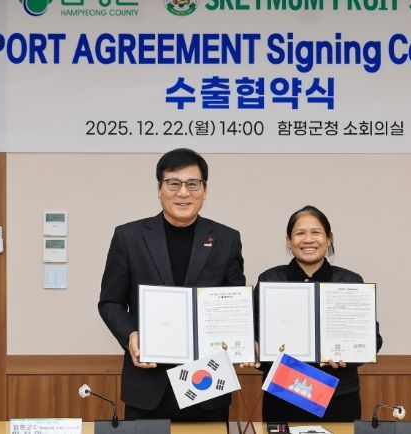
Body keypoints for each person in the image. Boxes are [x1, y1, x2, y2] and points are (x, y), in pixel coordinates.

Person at [98, 148, 246, 421]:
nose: (183, 193)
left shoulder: (226, 239)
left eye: (193, 184)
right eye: (173, 183)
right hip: (148, 384)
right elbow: (110, 302)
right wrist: (130, 334)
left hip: (207, 383)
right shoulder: (129, 237)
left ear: (205, 190)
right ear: (159, 189)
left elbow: (235, 303)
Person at [254, 205, 383, 422]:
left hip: (339, 396)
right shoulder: (270, 280)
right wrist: (254, 349)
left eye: (316, 232)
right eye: (300, 233)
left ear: (329, 238)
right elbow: (254, 336)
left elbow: (373, 340)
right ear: (288, 241)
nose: (308, 239)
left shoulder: (350, 282)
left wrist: (348, 355)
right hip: (284, 395)